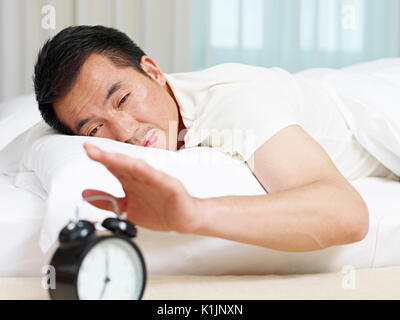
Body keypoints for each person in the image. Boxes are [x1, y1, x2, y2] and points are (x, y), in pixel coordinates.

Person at [33, 25, 377, 252]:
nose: (124, 132)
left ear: (152, 71)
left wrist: (195, 214)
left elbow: (347, 213)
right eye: (94, 129)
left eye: (122, 99)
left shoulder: (233, 104)